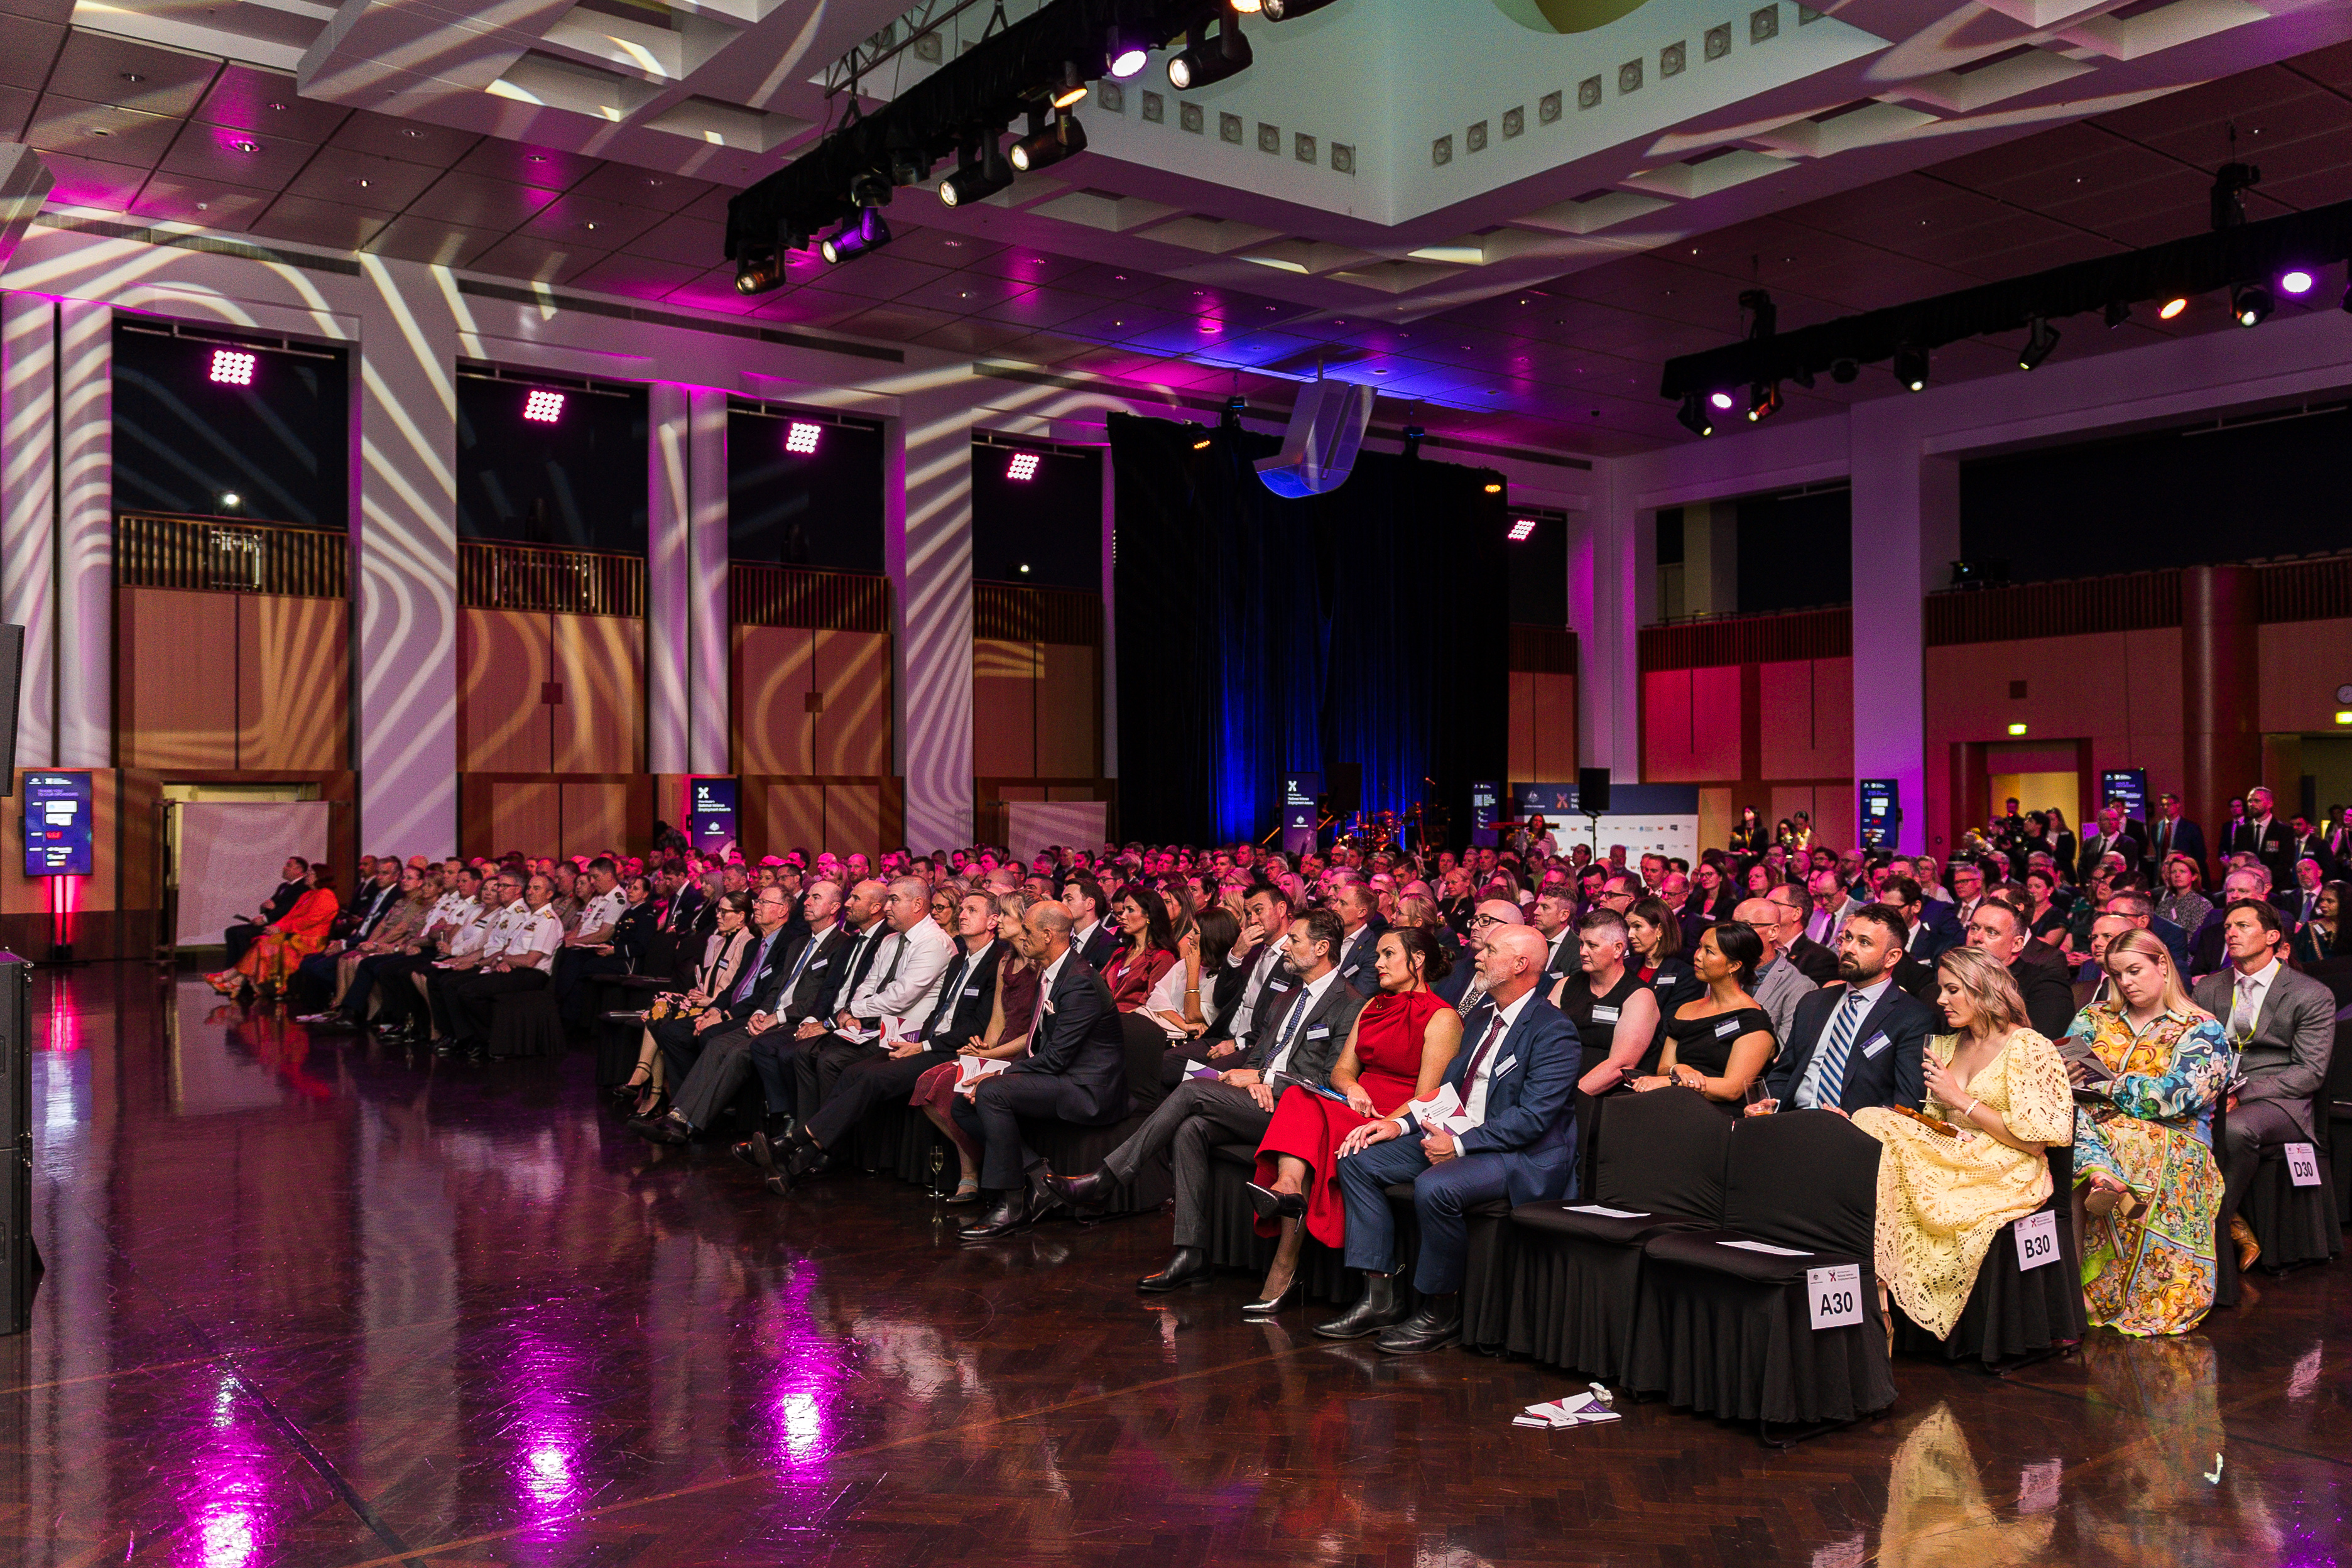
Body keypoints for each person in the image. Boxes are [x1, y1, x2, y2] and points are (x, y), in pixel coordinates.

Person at [1047, 908, 1367, 1277]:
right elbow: (1262, 1053)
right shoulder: (1286, 998)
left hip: (1298, 1115)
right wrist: (1253, 1075)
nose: (1286, 949)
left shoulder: (1350, 1003)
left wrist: (1266, 1079)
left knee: (1191, 1092)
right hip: (1258, 1102)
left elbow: (1328, 1083)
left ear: (1322, 947)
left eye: (1295, 941)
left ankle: (1106, 1179)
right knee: (1191, 1129)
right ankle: (1191, 1252)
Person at [1314, 925, 1577, 1354]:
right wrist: (1397, 1126)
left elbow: (1532, 1120)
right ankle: (1379, 1297)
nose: (1477, 954)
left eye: (1490, 949)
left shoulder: (1553, 1030)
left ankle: (1441, 1312)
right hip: (1460, 1136)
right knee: (1359, 1160)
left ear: (1520, 965)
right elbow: (1450, 1090)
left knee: (1436, 1186)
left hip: (1519, 1155)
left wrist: (1457, 1146)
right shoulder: (1478, 1017)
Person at [1851, 945, 2072, 1341]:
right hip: (1955, 1151)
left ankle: (1883, 1299)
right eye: (1940, 989)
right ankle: (1879, 1293)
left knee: (1881, 1138)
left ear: (1984, 990)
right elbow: (1938, 1123)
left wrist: (1962, 1101)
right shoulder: (1948, 1046)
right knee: (1869, 1120)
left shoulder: (2027, 1045)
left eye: (1953, 990)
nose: (1941, 1000)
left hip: (2008, 1167)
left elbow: (2037, 1143)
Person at [1243, 928, 1461, 1314]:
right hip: (1356, 1104)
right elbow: (1343, 1070)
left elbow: (1425, 1098)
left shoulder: (1442, 1017)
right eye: (1377, 955)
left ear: (1418, 960)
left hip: (1395, 1118)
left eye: (1388, 954)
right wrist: (1353, 1089)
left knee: (1312, 1128)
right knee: (1297, 1095)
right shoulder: (1372, 1005)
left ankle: (1285, 1263)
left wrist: (1379, 1123)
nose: (1377, 963)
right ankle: (1288, 1187)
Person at [766, 887, 1006, 1191]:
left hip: (952, 1050)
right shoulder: (961, 960)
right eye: (963, 909)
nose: (961, 914)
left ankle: (796, 1142)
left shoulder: (994, 962)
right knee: (854, 1071)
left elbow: (974, 1026)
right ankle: (802, 1157)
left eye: (971, 910)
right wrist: (915, 1039)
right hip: (924, 1039)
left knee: (871, 1077)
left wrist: (922, 1045)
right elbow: (938, 1012)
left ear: (992, 921)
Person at [2068, 929, 2231, 1336]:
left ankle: (2090, 1287)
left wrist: (2108, 1085)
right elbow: (2064, 1074)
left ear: (2162, 965)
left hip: (2176, 1138)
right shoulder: (2093, 1017)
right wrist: (2121, 1089)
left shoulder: (2201, 1029)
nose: (2126, 982)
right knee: (2062, 1122)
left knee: (2113, 1138)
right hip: (2092, 1122)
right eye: (2116, 974)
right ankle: (2100, 1178)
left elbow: (2174, 1098)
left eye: (2135, 971)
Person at [955, 902, 1130, 1239]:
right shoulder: (1053, 972)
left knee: (991, 1092)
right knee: (964, 1097)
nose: (1022, 935)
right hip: (1060, 1075)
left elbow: (1056, 1059)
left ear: (1048, 935)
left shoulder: (1079, 982)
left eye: (1029, 930)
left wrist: (1001, 1074)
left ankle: (1011, 1207)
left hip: (1087, 1089)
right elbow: (1042, 1046)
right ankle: (1039, 1177)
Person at [2189, 898, 2336, 1274]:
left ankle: (2212, 1230)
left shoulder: (2310, 994)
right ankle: (2234, 1223)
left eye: (2242, 926)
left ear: (2272, 936)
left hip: (2280, 1098)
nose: (2231, 933)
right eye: (2228, 927)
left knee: (2234, 1129)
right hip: (2215, 1089)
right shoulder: (2209, 989)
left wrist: (2243, 1093)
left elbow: (2310, 1072)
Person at [911, 893, 1043, 1203]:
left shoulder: (1039, 966)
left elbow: (1035, 1033)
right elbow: (998, 1019)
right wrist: (982, 1046)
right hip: (999, 1048)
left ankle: (972, 1175)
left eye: (1004, 916)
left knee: (955, 1086)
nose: (996, 921)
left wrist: (989, 1055)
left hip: (1024, 1051)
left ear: (1025, 922)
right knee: (929, 1083)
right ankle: (973, 1165)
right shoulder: (1005, 961)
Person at [1754, 905, 1936, 1114]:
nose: (1849, 949)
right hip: (1793, 1120)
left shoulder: (1912, 1018)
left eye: (1864, 943)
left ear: (1892, 957)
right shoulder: (1813, 1003)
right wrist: (1770, 1104)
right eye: (1848, 938)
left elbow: (1907, 1101)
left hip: (1856, 1133)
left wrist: (1855, 1123)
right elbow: (1785, 1071)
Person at [616, 888, 754, 1119]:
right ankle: (652, 1084)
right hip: (704, 1000)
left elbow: (737, 989)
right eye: (717, 911)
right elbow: (710, 978)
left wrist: (709, 1000)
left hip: (717, 1008)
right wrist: (699, 992)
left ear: (741, 916)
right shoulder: (719, 939)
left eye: (724, 912)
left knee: (660, 1014)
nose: (717, 916)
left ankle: (648, 1080)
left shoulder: (747, 943)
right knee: (660, 1002)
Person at [1632, 922, 1774, 1110]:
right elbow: (1663, 1069)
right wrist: (1678, 1070)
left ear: (1734, 965)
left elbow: (1732, 1089)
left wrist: (1674, 1082)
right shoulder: (1686, 1010)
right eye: (1700, 947)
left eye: (1709, 951)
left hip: (1717, 1114)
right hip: (1675, 1105)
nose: (1697, 956)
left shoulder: (1753, 1021)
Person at [206, 864, 339, 1001]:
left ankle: (232, 976)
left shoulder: (326, 895)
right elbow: (290, 916)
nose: (307, 876)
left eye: (310, 873)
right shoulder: (307, 895)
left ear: (319, 877)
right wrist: (276, 926)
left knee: (268, 943)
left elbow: (309, 921)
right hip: (297, 936)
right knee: (262, 940)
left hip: (311, 941)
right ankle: (238, 980)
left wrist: (281, 929)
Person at [1963, 899, 2077, 1040]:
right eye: (1974, 928)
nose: (1977, 937)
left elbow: (2042, 1048)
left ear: (2017, 944)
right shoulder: (1952, 982)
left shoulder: (2046, 986)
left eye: (1992, 932)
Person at [1732, 895, 1817, 1041]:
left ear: (1773, 932)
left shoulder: (1799, 986)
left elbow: (1785, 1050)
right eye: (1733, 926)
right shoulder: (1724, 971)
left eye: (1746, 926)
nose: (1734, 934)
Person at [224, 856, 313, 966]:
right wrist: (265, 908)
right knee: (231, 931)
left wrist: (266, 917)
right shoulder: (284, 886)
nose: (284, 868)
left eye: (289, 866)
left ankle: (243, 970)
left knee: (241, 934)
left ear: (299, 870)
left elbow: (290, 909)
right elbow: (271, 906)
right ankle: (231, 968)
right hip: (270, 922)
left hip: (280, 927)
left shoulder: (303, 888)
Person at [1101, 886, 1177, 1011]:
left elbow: (1153, 1005)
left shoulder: (1162, 958)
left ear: (1149, 916)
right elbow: (1097, 985)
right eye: (1124, 910)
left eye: (1130, 910)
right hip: (1105, 1018)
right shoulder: (1120, 953)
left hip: (1132, 1023)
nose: (1122, 916)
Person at [2143, 794, 2204, 883]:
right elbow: (2158, 852)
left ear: (2178, 804)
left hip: (2182, 873)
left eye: (2169, 804)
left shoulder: (2191, 828)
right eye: (2163, 805)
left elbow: (2200, 855)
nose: (2166, 807)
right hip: (2162, 875)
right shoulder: (2156, 828)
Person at [2154, 852, 2213, 935]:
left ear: (2194, 876)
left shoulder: (2203, 904)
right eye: (2173, 872)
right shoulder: (2164, 904)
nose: (2177, 875)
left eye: (2182, 872)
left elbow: (2194, 936)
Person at [2292, 881, 2350, 964]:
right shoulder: (2311, 928)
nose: (2323, 905)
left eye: (2330, 901)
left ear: (2344, 903)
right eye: (2322, 900)